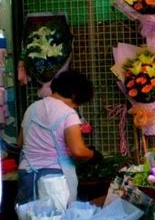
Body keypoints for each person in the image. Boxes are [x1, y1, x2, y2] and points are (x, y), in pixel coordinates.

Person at [17, 70, 102, 205]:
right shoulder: (68, 113)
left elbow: (20, 143)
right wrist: (93, 155)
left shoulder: (31, 108)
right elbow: (78, 150)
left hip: (27, 174)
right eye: (77, 104)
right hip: (54, 178)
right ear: (74, 95)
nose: (76, 107)